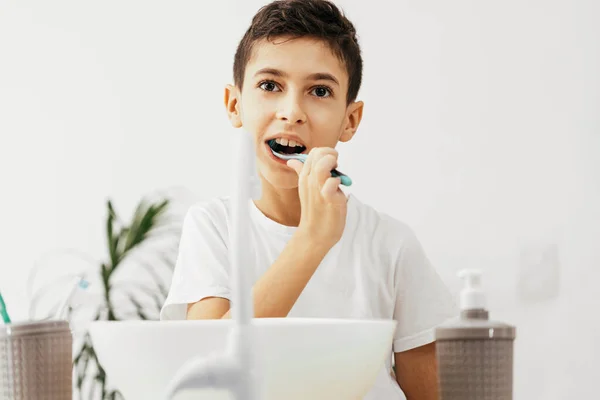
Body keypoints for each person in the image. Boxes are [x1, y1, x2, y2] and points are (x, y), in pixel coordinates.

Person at [160, 0, 458, 398]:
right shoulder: (214, 227)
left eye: (319, 91)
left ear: (349, 120)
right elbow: (210, 378)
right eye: (270, 86)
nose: (292, 111)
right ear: (235, 105)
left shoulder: (392, 245)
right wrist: (312, 241)